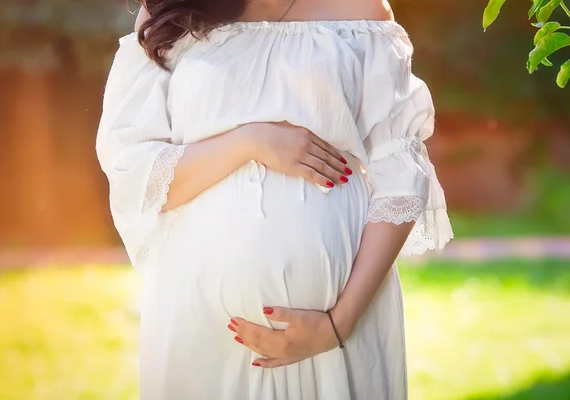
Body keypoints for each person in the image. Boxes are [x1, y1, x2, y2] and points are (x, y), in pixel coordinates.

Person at [96, 0, 453, 398]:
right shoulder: (171, 12)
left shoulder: (361, 10)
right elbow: (133, 171)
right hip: (201, 323)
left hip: (338, 328)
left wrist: (339, 323)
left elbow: (401, 175)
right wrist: (250, 141)